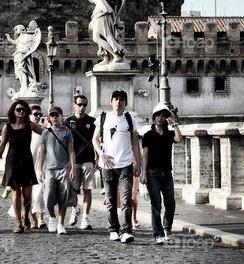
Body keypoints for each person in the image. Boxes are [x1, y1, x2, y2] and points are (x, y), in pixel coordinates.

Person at [92, 89, 141, 243]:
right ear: (111, 102)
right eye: (116, 99)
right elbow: (94, 139)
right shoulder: (103, 118)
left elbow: (135, 142)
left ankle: (125, 230)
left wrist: (137, 163)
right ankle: (113, 228)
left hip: (125, 164)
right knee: (111, 200)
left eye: (121, 99)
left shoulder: (129, 119)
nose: (118, 102)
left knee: (126, 200)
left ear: (125, 103)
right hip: (107, 165)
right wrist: (101, 155)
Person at [0, 99, 43, 233]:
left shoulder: (30, 125)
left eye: (23, 110)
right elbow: (2, 145)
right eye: (18, 109)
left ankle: (26, 216)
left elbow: (45, 133)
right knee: (15, 192)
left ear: (26, 112)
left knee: (27, 195)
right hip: (12, 162)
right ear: (13, 111)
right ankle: (18, 222)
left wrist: (58, 127)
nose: (20, 112)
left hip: (26, 162)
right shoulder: (7, 127)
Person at [140, 103, 182, 243]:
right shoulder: (148, 135)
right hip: (152, 173)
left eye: (163, 115)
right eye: (158, 115)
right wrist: (143, 173)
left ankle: (167, 227)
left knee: (170, 203)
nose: (160, 118)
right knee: (156, 204)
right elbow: (144, 155)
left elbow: (179, 138)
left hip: (166, 173)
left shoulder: (169, 134)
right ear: (154, 117)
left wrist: (174, 122)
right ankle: (158, 234)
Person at [37, 106, 76, 235]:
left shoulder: (66, 132)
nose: (54, 117)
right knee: (48, 196)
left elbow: (71, 151)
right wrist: (40, 170)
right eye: (52, 115)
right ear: (49, 117)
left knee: (63, 197)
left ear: (61, 117)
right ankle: (52, 217)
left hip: (64, 168)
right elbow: (42, 152)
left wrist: (72, 168)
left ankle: (60, 223)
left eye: (57, 115)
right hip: (49, 169)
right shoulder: (45, 133)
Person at [63, 94, 96, 230]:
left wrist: (97, 159)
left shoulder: (92, 122)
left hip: (88, 160)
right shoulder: (68, 122)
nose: (82, 108)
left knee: (88, 189)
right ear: (74, 105)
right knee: (74, 190)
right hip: (73, 161)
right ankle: (74, 209)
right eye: (79, 104)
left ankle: (85, 218)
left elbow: (97, 140)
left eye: (84, 105)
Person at [88, 0, 129, 64]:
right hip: (100, 11)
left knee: (103, 36)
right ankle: (107, 57)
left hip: (105, 13)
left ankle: (116, 54)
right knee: (101, 37)